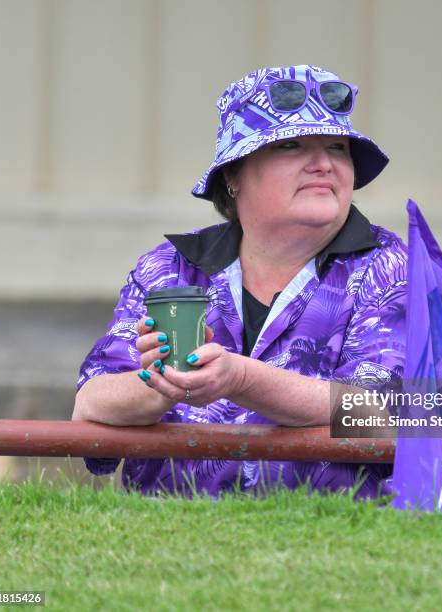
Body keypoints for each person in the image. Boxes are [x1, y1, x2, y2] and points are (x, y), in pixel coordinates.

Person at [72, 64, 407, 499]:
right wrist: (157, 386)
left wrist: (242, 380)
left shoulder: (390, 266)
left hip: (330, 546)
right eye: (291, 145)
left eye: (338, 148)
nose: (323, 163)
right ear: (233, 176)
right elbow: (90, 405)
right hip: (164, 543)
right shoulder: (168, 267)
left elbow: (387, 415)